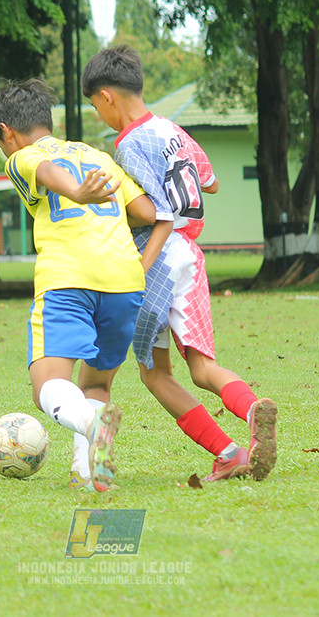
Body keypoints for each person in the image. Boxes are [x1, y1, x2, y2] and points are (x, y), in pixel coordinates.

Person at [80, 45, 278, 482]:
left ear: (107, 96)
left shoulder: (128, 142)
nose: (99, 115)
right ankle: (251, 411)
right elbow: (211, 181)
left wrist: (137, 268)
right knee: (203, 368)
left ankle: (227, 451)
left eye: (95, 106)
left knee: (154, 374)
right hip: (192, 257)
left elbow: (162, 215)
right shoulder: (171, 129)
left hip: (162, 260)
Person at [0, 79, 156, 492]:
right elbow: (147, 211)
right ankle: (88, 471)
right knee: (96, 384)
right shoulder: (96, 155)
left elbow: (43, 170)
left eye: (1, 143)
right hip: (125, 281)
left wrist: (78, 193)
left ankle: (88, 421)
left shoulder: (23, 155)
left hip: (68, 279)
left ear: (7, 132)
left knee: (47, 384)